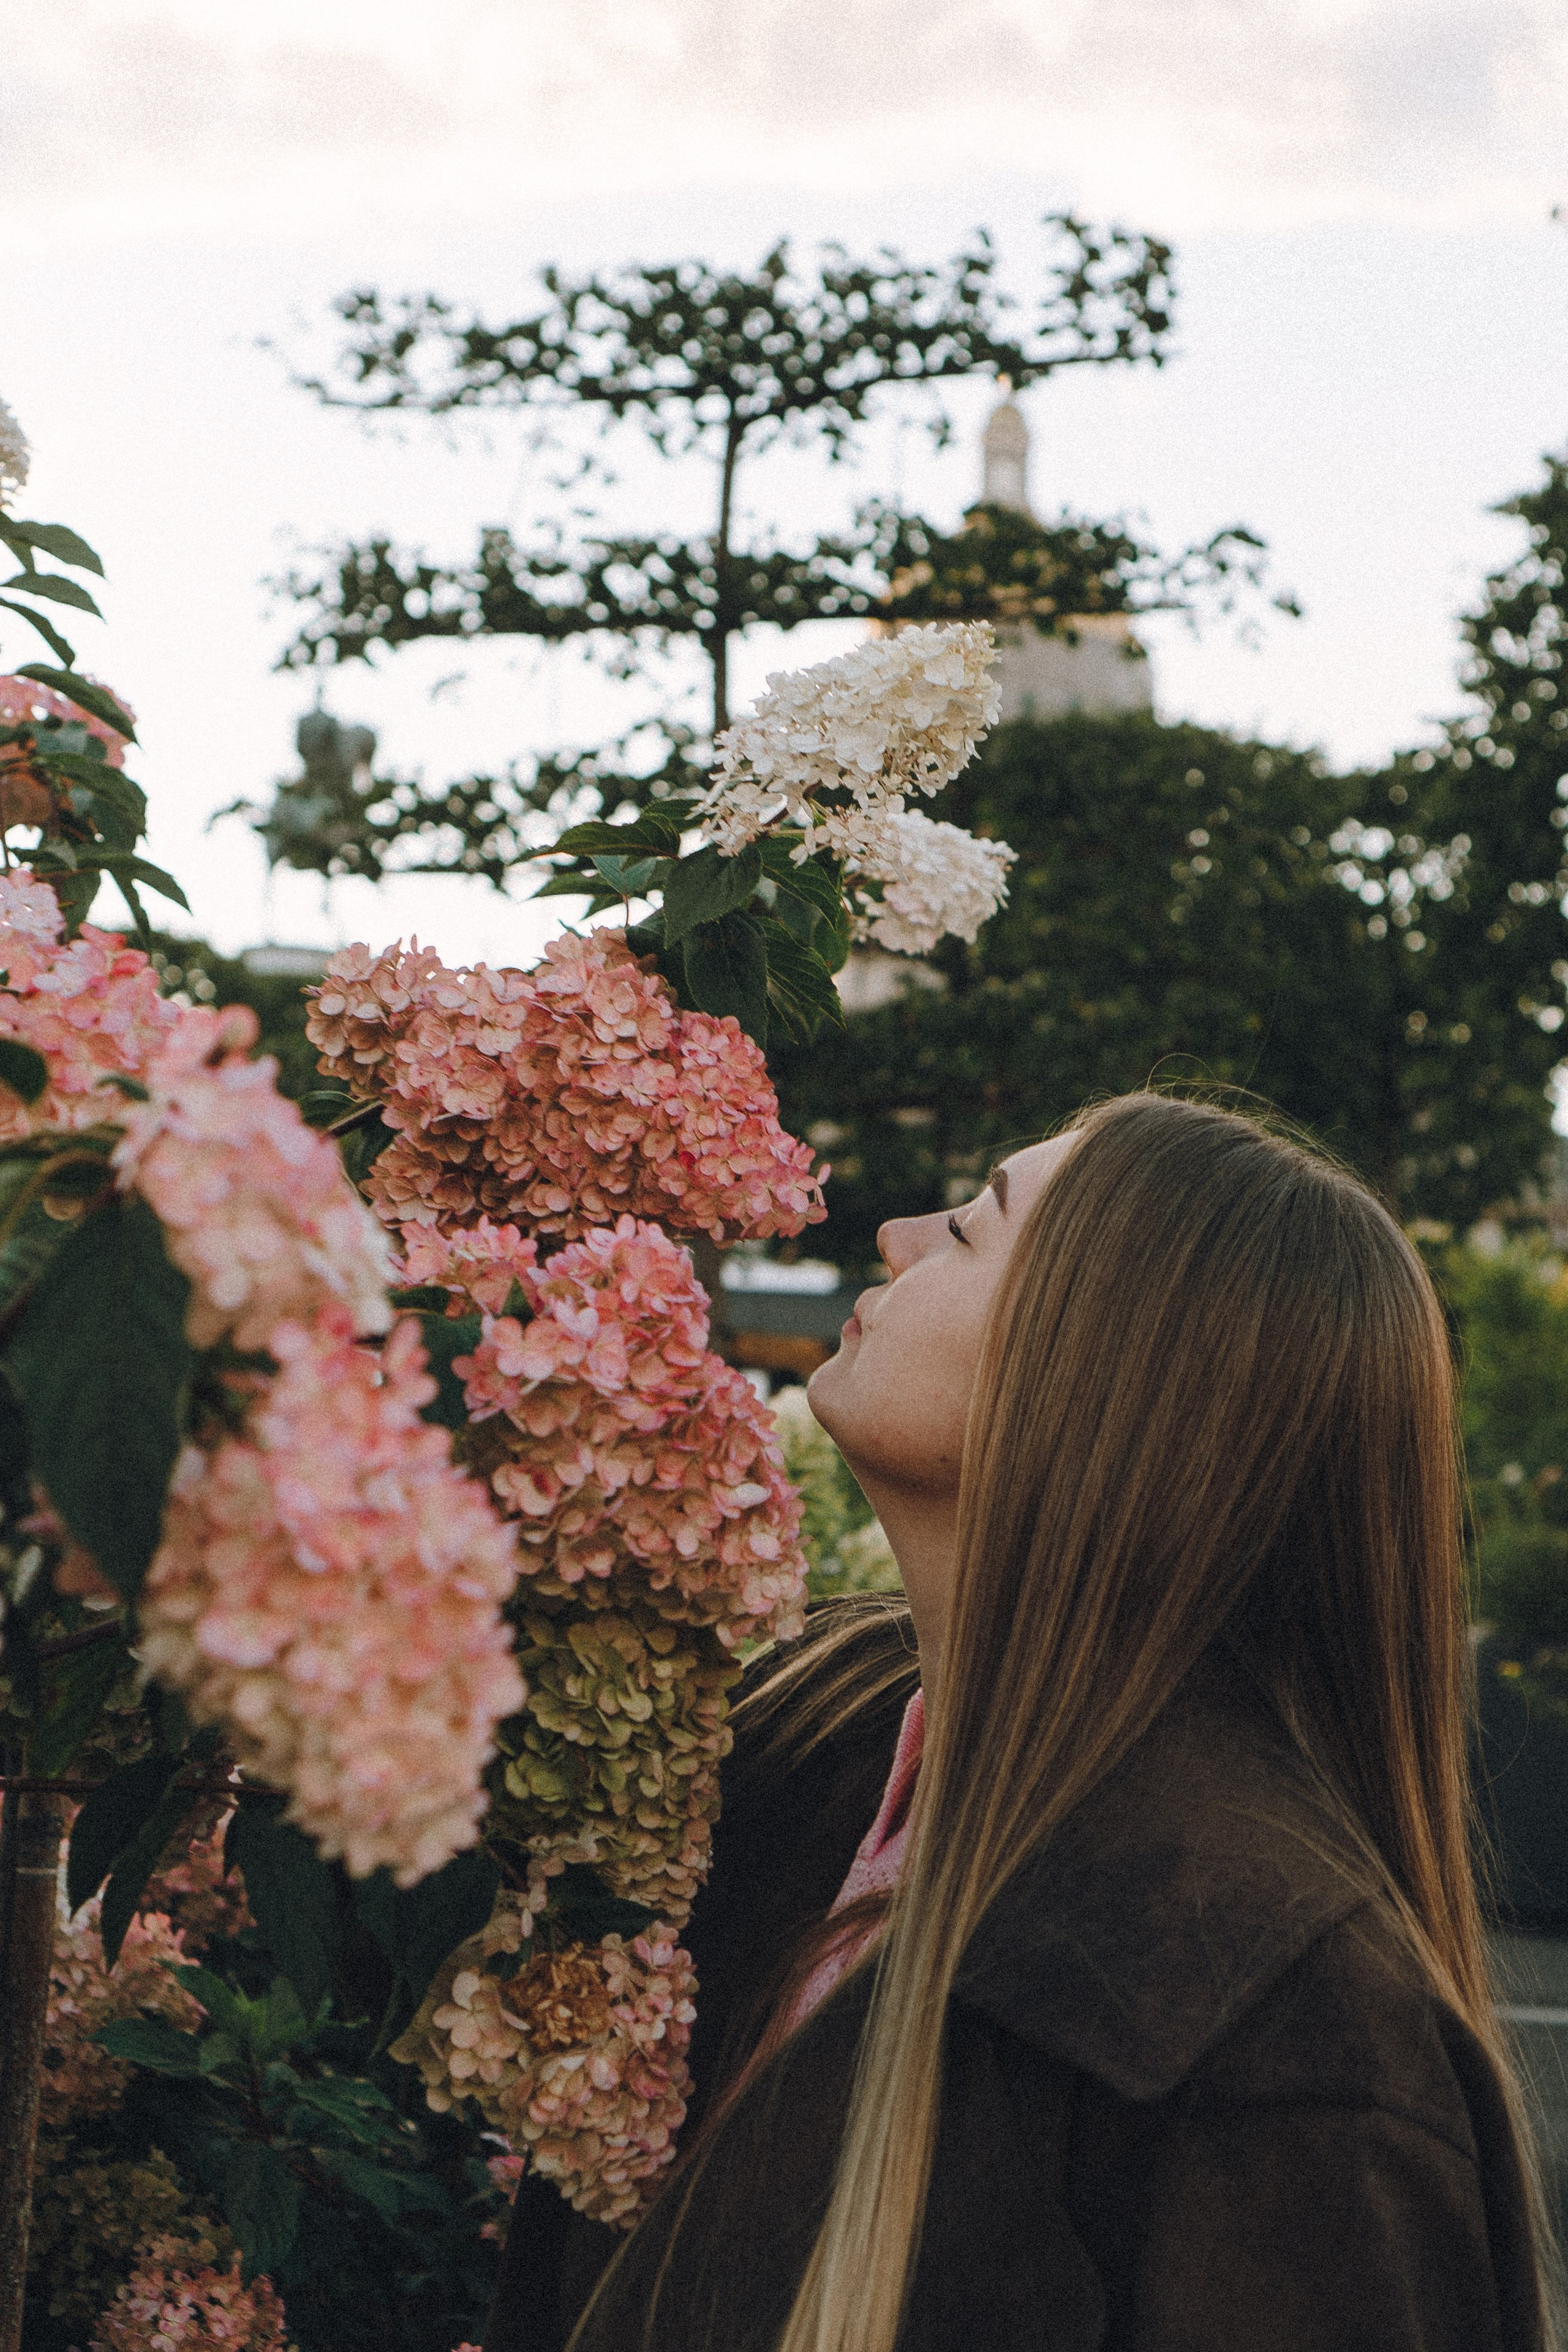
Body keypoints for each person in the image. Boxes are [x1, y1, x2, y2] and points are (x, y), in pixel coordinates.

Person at [487, 1092, 1557, 2352]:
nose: (891, 1237)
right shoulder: (811, 1730)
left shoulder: (1289, 2031)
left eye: (965, 1229)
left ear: (1105, 1381)